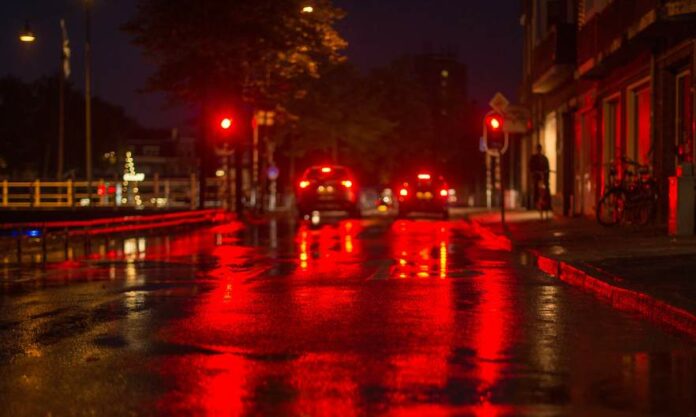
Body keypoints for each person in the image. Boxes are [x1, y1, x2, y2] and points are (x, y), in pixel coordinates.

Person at [529, 144, 550, 210]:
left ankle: (547, 202)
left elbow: (547, 167)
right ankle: (536, 201)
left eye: (539, 149)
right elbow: (531, 166)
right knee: (536, 187)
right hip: (537, 176)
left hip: (543, 176)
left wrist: (546, 173)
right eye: (538, 149)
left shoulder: (544, 158)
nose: (539, 150)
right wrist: (534, 172)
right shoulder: (533, 158)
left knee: (546, 187)